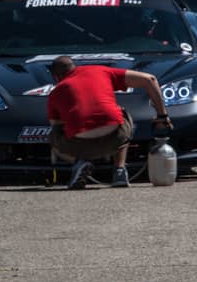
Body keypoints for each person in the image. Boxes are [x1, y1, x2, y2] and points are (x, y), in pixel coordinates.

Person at [47, 56, 172, 190]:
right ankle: (119, 171)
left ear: (56, 77)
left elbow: (56, 125)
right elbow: (150, 79)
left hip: (78, 146)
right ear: (74, 66)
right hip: (115, 137)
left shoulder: (55, 92)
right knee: (121, 115)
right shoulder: (101, 71)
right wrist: (162, 116)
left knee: (54, 134)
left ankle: (80, 162)